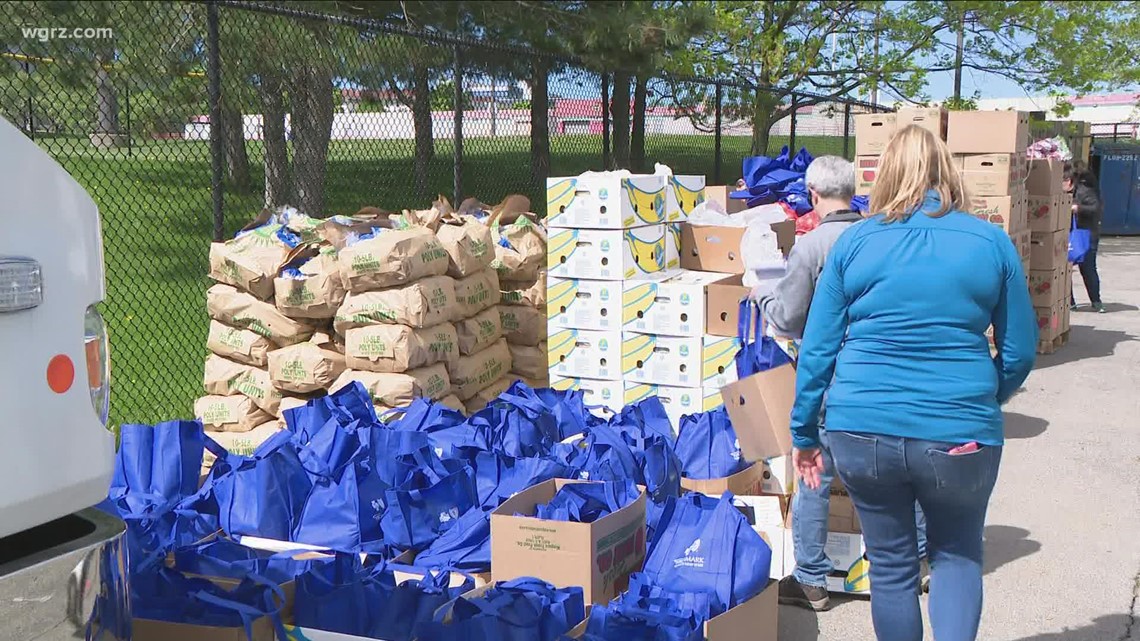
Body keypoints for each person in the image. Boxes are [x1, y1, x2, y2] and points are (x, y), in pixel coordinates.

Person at [789, 125, 1037, 641]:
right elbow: (1018, 352)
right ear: (946, 172)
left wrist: (804, 434)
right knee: (957, 555)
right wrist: (985, 396)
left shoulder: (853, 242)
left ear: (885, 176)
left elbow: (817, 349)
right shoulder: (989, 241)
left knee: (891, 566)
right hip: (959, 431)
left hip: (861, 430)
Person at [755, 155, 929, 612]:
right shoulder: (886, 242)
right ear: (854, 190)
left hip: (833, 380)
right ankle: (918, 563)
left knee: (815, 472)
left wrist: (760, 293)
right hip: (887, 377)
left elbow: (788, 318)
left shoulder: (812, 248)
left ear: (813, 196)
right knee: (899, 469)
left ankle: (811, 579)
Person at [1065, 162, 1104, 312]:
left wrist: (1078, 208)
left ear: (1069, 181)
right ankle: (1070, 302)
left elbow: (1096, 208)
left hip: (1086, 236)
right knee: (1065, 270)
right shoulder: (1064, 194)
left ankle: (1096, 300)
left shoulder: (1085, 192)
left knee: (1087, 269)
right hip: (1070, 237)